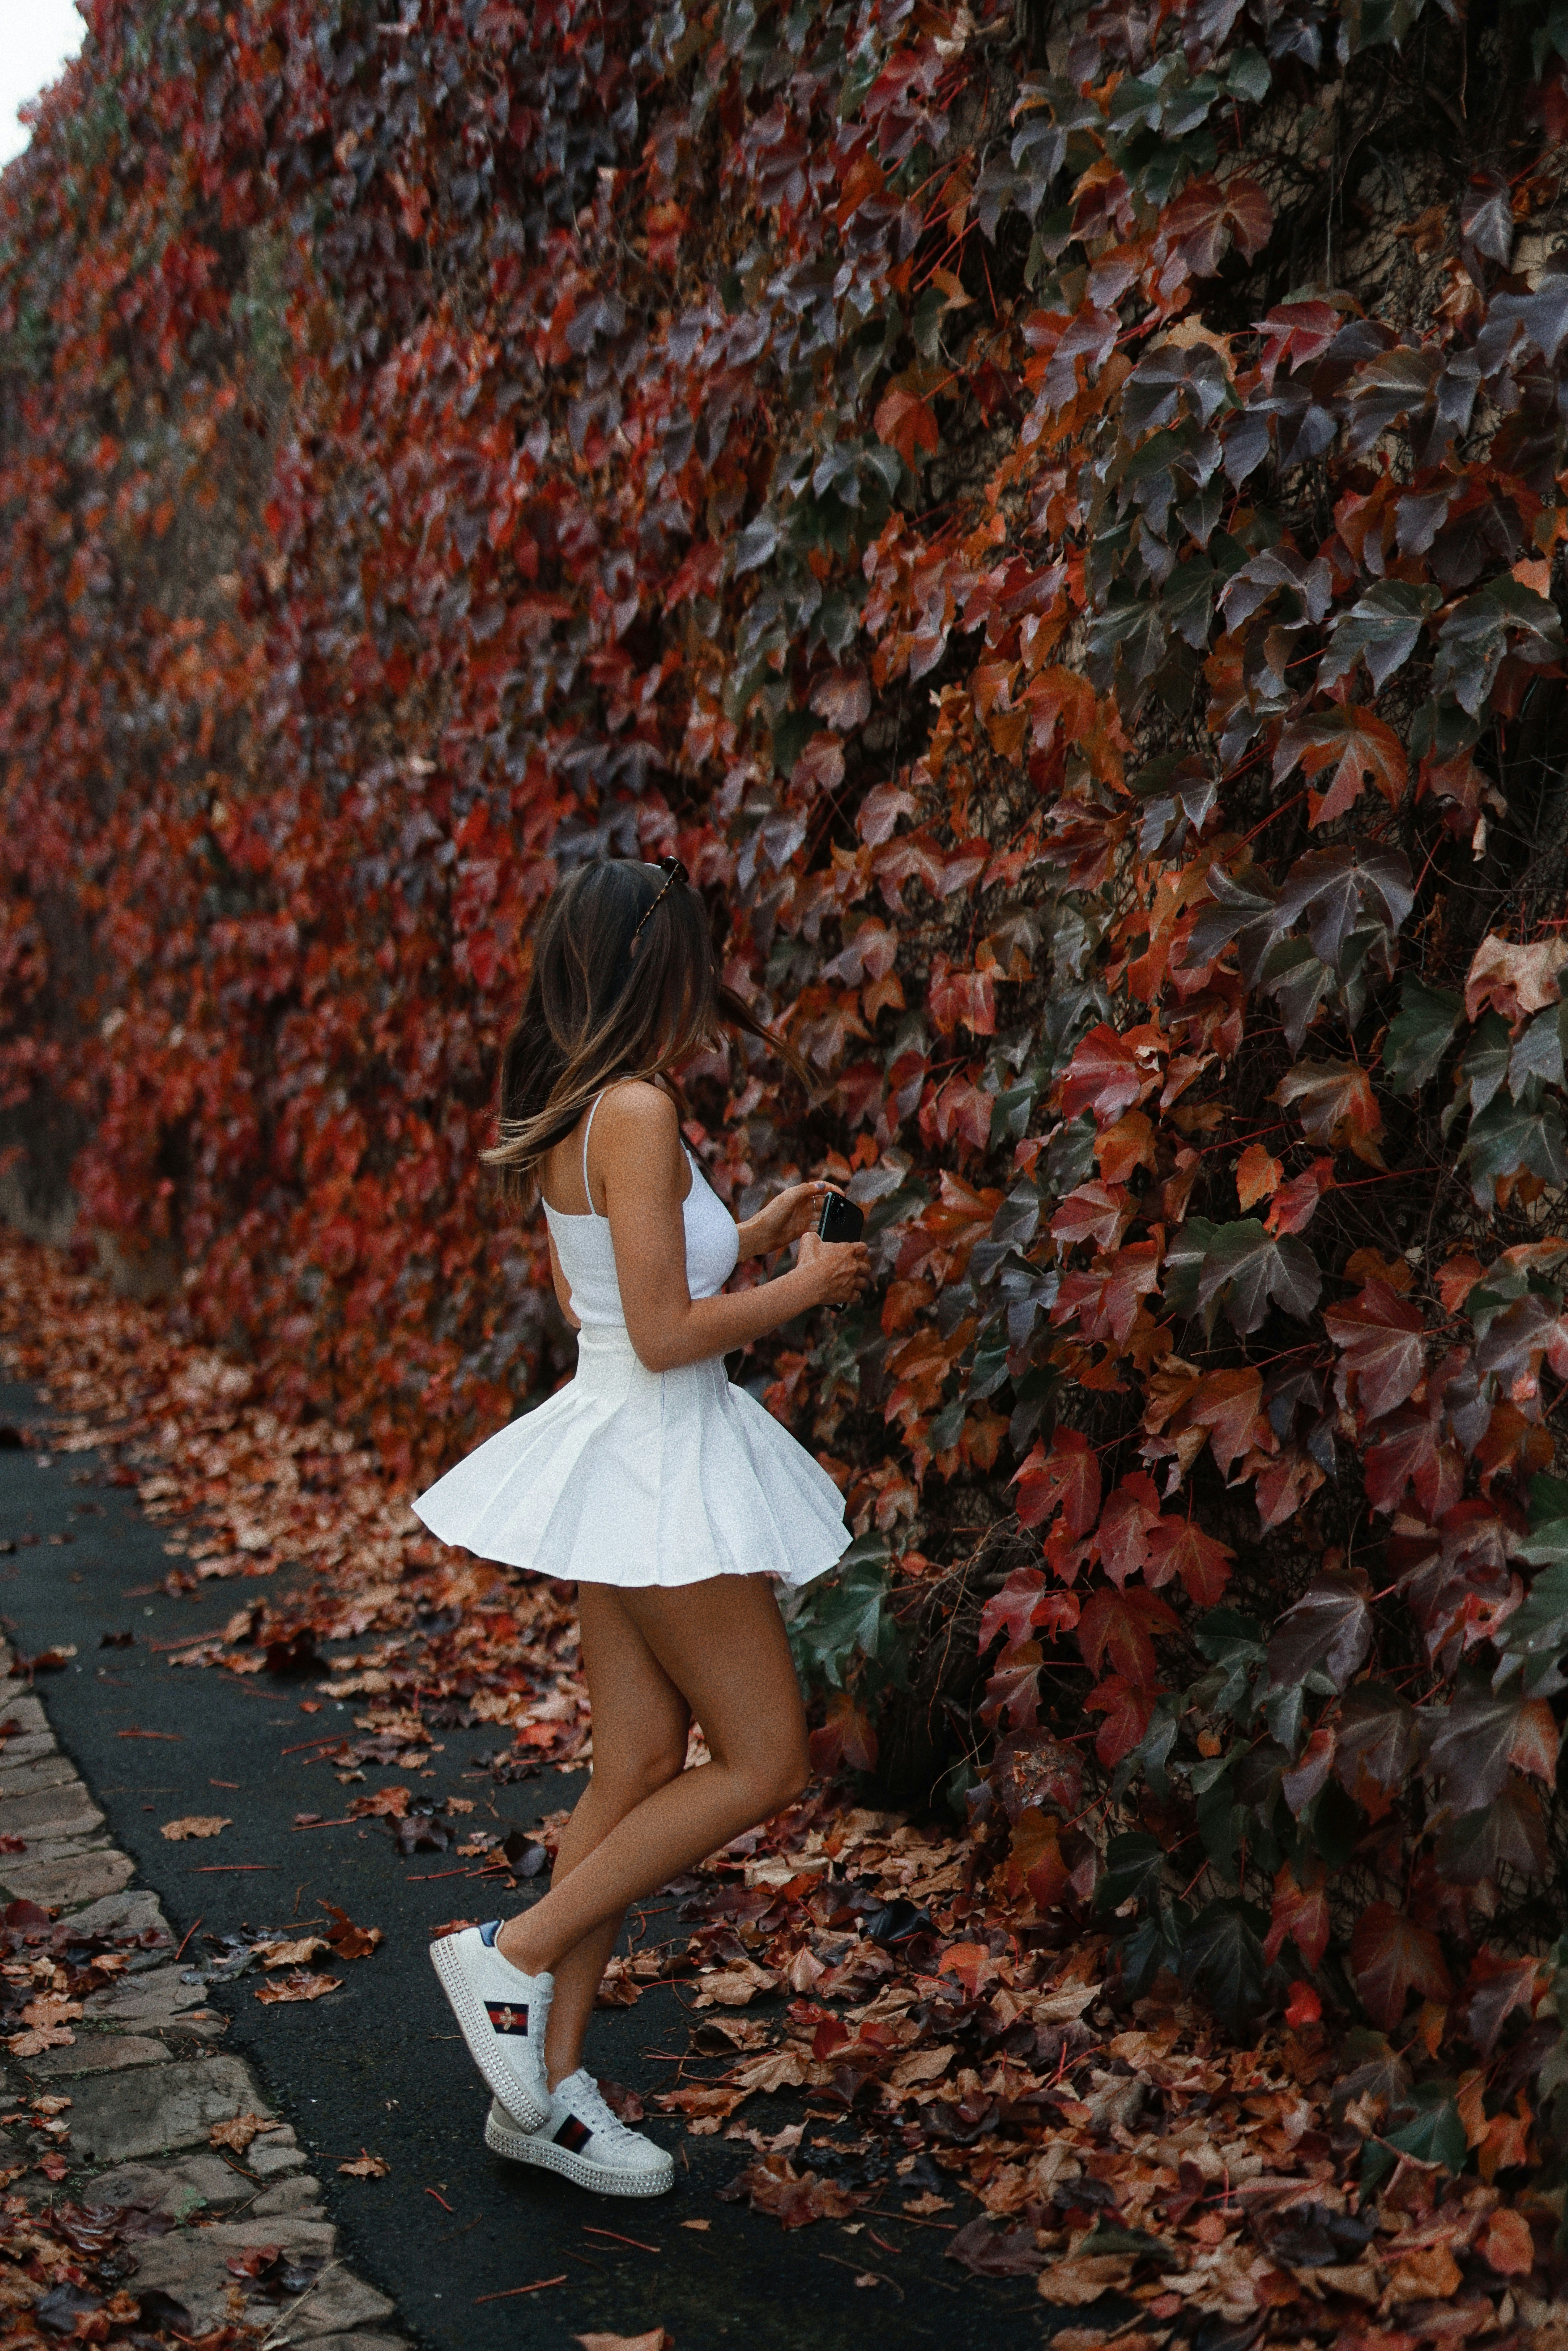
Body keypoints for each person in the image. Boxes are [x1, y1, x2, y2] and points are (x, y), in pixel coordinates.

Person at [412, 854, 872, 2198]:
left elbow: (634, 1286)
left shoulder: (587, 1104)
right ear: (656, 964)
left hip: (624, 1443)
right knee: (767, 1755)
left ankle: (542, 2097)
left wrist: (758, 1226)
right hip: (664, 1454)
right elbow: (670, 1334)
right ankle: (508, 1954)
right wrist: (807, 1282)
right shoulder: (641, 1106)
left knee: (631, 1768)